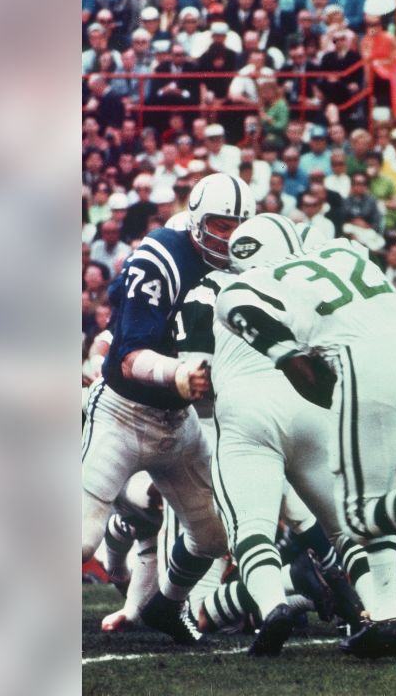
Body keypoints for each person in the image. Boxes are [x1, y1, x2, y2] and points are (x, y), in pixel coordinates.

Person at [214, 220, 396, 654]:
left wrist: (344, 400)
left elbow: (298, 367)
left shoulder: (241, 287)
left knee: (357, 514)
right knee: (376, 496)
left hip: (362, 371)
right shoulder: (340, 251)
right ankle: (387, 618)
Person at [81, 174, 254, 645]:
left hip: (180, 423)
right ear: (197, 223)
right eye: (221, 225)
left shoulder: (244, 264)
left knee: (214, 535)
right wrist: (178, 375)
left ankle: (166, 604)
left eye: (239, 226)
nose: (230, 237)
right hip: (123, 412)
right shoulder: (162, 256)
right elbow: (129, 354)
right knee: (80, 538)